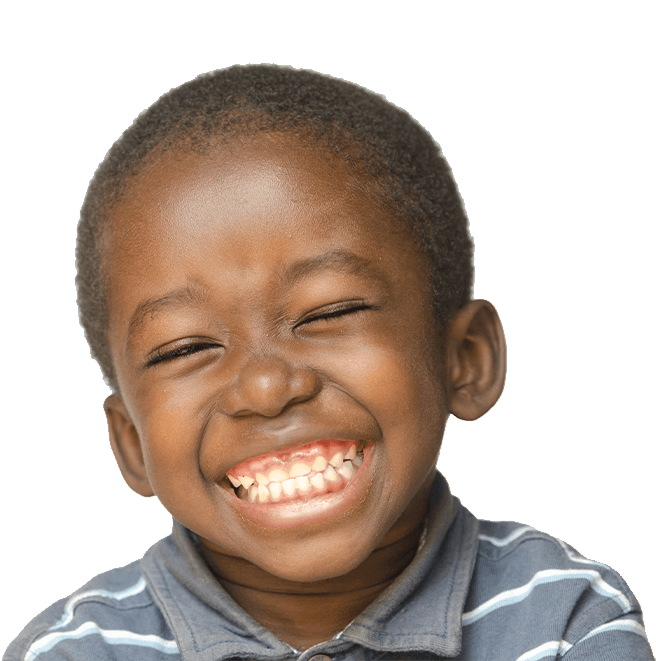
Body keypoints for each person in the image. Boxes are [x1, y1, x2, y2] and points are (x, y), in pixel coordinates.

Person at [4, 64, 653, 661]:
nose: (265, 384)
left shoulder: (564, 618)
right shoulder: (74, 651)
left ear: (464, 358)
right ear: (130, 442)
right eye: (186, 347)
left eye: (329, 312)